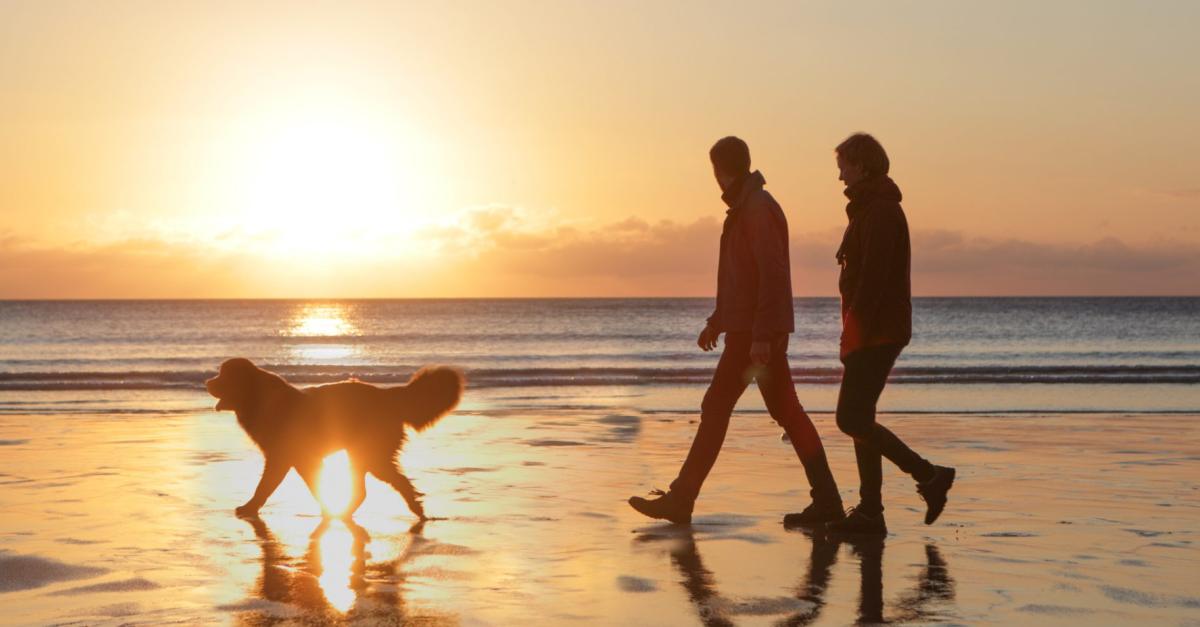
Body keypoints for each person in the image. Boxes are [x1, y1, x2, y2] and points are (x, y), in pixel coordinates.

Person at [628, 136, 844, 526]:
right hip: (750, 329)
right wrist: (718, 319)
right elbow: (741, 279)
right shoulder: (746, 207)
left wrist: (761, 335)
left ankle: (682, 498)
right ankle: (827, 499)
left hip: (754, 334)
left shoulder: (757, 208)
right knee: (785, 412)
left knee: (718, 407)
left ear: (720, 170)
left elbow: (771, 275)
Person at [824, 133, 955, 536]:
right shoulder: (868, 209)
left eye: (844, 166)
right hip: (874, 329)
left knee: (850, 418)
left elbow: (873, 282)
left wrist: (854, 331)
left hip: (878, 332)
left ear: (862, 165)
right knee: (861, 418)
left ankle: (929, 475)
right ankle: (870, 512)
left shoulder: (880, 212)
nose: (840, 176)